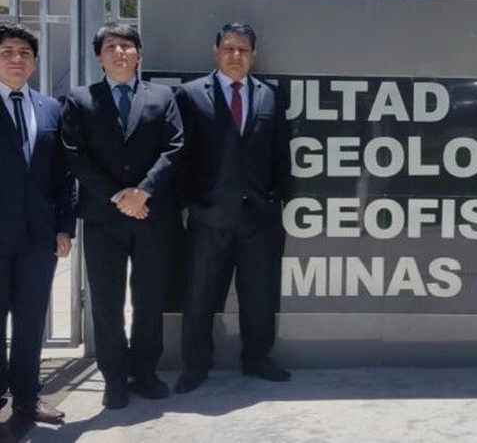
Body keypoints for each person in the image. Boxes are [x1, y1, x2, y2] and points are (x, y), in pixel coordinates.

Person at [61, 23, 184, 410]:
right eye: (111, 46)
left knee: (149, 298)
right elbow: (74, 155)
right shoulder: (80, 99)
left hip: (151, 215)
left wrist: (143, 191)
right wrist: (117, 195)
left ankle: (145, 373)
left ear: (139, 54)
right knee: (106, 301)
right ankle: (114, 378)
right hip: (103, 218)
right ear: (99, 57)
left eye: (127, 46)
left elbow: (175, 147)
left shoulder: (163, 97)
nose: (119, 52)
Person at [174, 22, 290, 394]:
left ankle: (257, 358)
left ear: (253, 55)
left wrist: (276, 198)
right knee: (200, 295)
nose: (235, 55)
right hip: (209, 217)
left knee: (259, 294)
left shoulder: (271, 96)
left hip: (258, 217)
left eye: (242, 50)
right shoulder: (190, 95)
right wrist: (192, 204)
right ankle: (195, 366)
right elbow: (179, 155)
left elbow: (280, 152)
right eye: (228, 48)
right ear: (216, 52)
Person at [0, 24, 74, 424]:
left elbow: (63, 174)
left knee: (31, 322)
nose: (16, 59)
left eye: (24, 53)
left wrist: (64, 227)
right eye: (7, 52)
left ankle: (27, 398)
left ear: (34, 61)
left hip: (38, 238)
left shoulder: (49, 108)